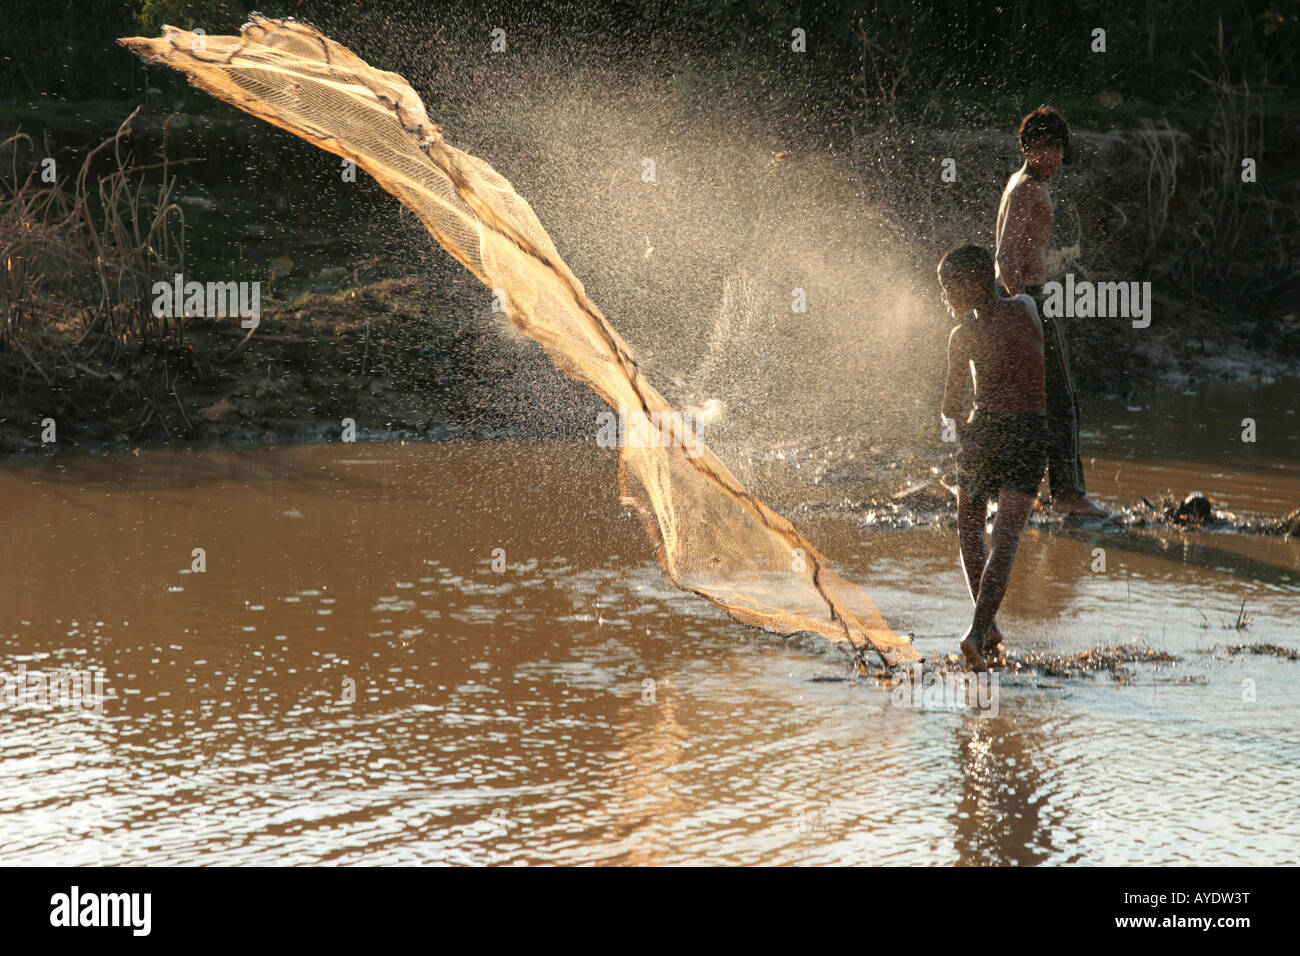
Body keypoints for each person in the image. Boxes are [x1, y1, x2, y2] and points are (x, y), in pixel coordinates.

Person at [938, 244, 1048, 671]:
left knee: (969, 526)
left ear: (966, 288)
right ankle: (980, 632)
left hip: (986, 432)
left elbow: (950, 406)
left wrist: (961, 425)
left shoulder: (962, 335)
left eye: (948, 289)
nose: (945, 299)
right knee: (1005, 541)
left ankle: (983, 630)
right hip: (1031, 432)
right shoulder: (1024, 308)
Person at [994, 107, 1107, 517]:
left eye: (1057, 147)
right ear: (1026, 147)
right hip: (1027, 298)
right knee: (1061, 398)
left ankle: (1009, 492)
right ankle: (1068, 495)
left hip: (1017, 298)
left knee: (1023, 401)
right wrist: (1023, 305)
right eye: (1042, 147)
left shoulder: (1021, 182)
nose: (1051, 156)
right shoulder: (1027, 188)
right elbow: (1005, 252)